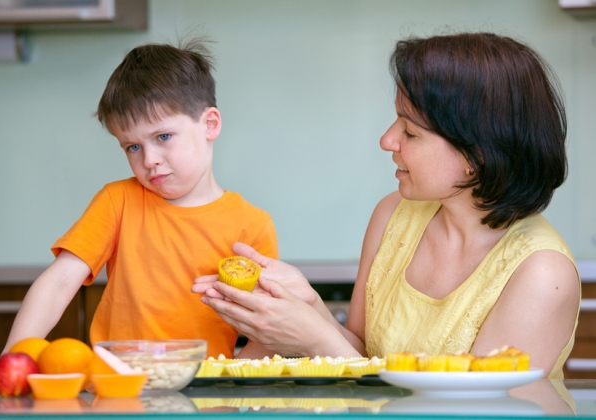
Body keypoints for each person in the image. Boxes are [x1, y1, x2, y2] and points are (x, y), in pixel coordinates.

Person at [192, 32, 580, 379]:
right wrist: (308, 306)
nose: (388, 140)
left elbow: (473, 413)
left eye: (410, 131)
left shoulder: (541, 274)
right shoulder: (394, 213)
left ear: (475, 154)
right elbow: (363, 354)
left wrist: (313, 338)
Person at [0, 39, 278, 386]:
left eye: (163, 136)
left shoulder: (253, 226)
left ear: (209, 125)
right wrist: (12, 359)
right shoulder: (118, 201)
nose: (149, 160)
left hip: (205, 400)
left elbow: (265, 331)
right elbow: (58, 282)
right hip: (116, 392)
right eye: (133, 146)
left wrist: (226, 381)